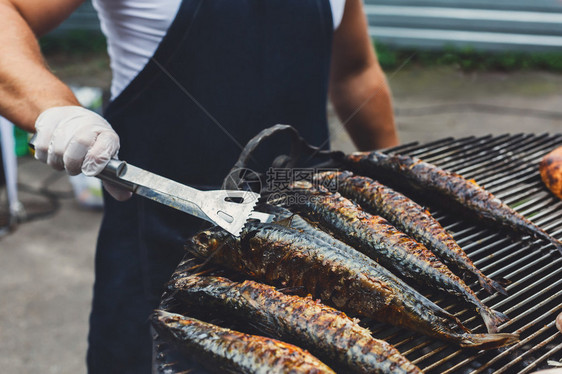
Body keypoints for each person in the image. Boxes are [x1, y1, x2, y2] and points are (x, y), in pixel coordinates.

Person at [0, 0, 398, 372]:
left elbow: (355, 73)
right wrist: (58, 112)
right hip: (161, 248)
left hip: (313, 248)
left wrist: (397, 188)